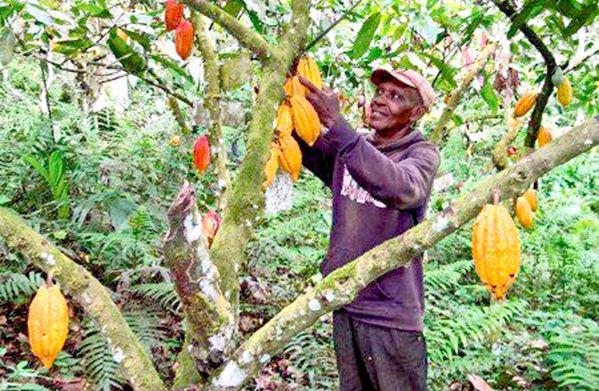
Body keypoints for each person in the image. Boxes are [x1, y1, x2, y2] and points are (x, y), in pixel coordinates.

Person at [296, 69, 441, 391]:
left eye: (395, 96)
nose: (380, 101)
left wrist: (338, 125)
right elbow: (311, 150)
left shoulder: (422, 154)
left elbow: (401, 188)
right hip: (346, 299)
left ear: (416, 113)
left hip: (390, 312)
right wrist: (287, 105)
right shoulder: (356, 145)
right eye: (380, 92)